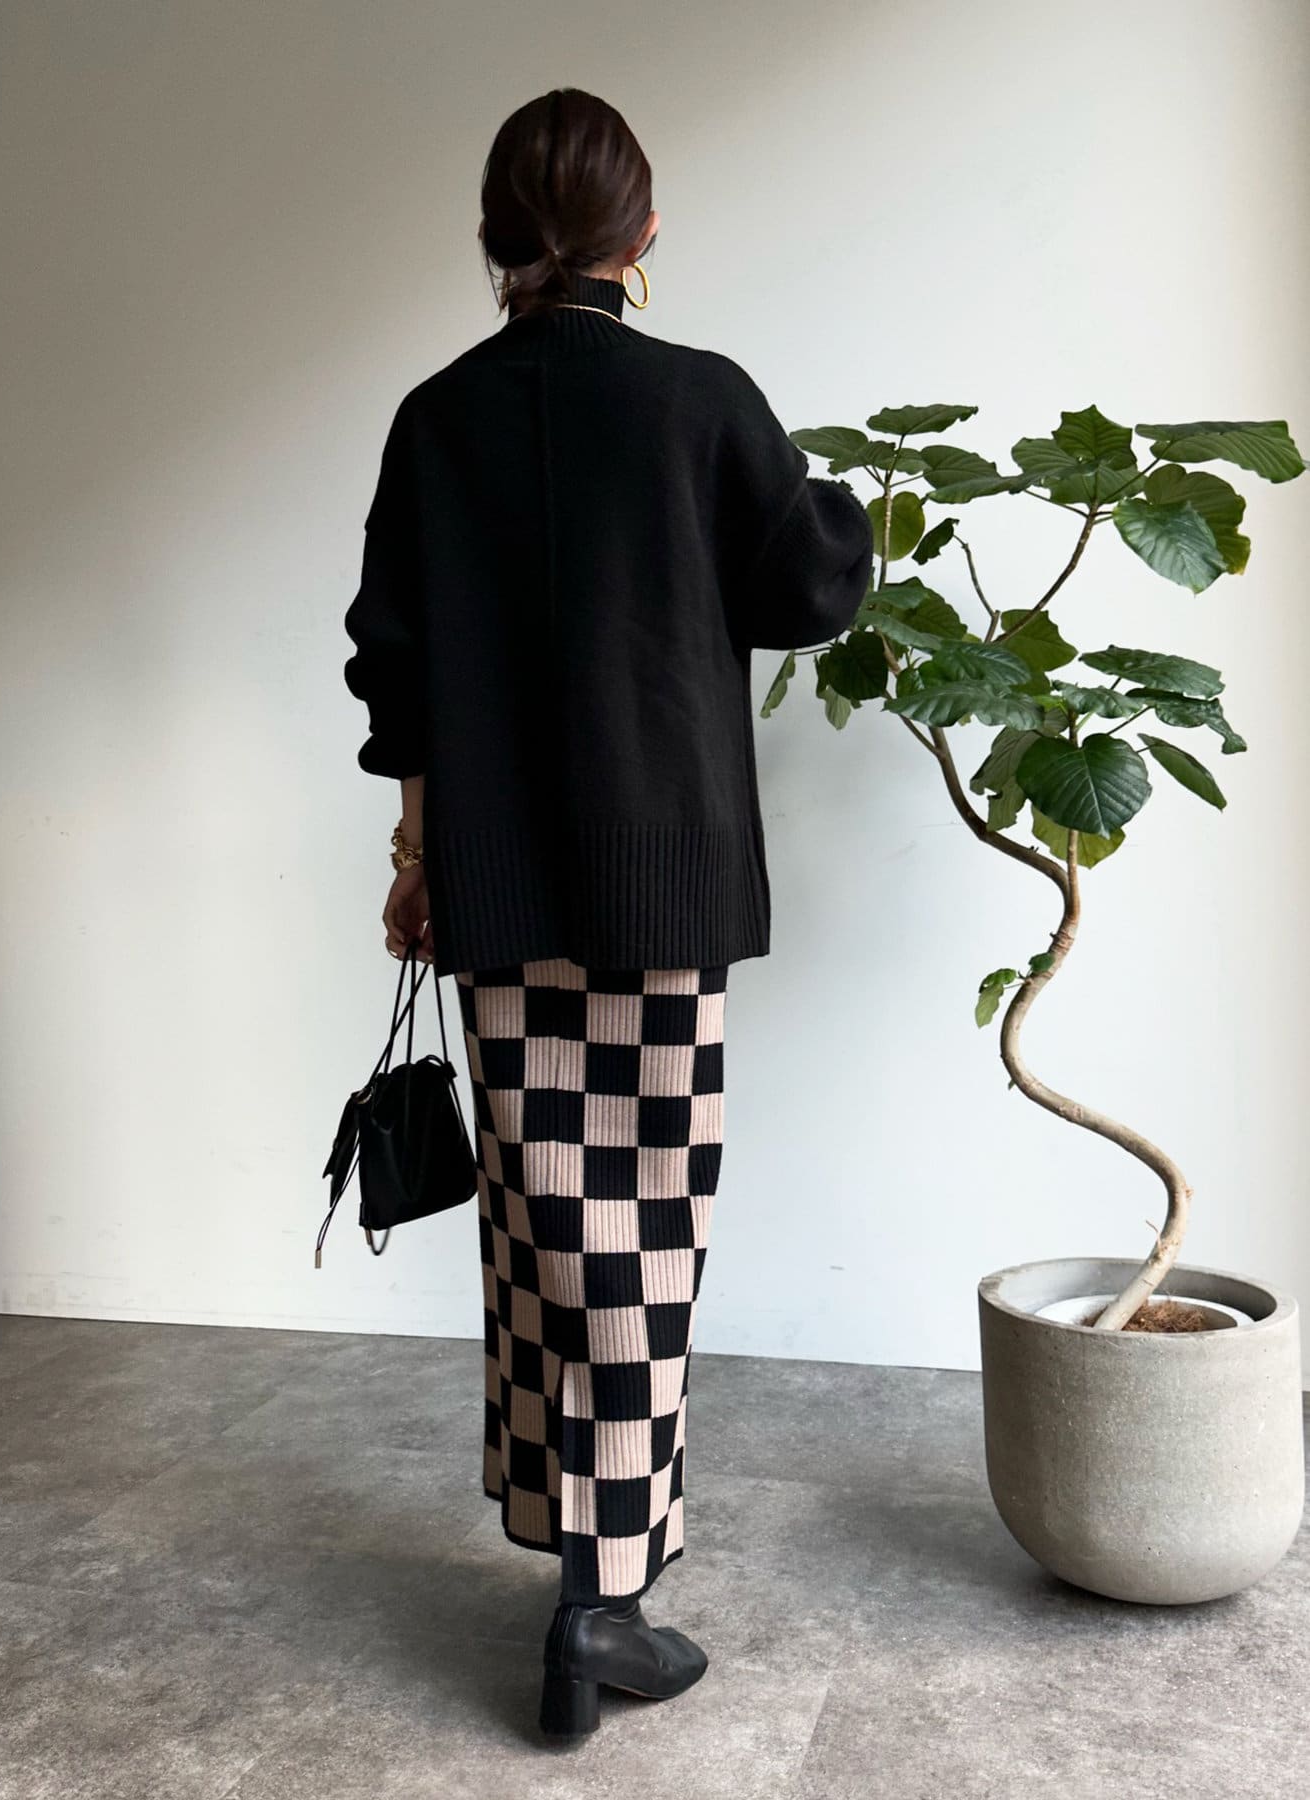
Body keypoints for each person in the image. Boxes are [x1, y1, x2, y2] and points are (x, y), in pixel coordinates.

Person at [342, 87, 872, 1740]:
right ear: (643, 235)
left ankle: (577, 1567)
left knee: (545, 1218)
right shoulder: (701, 402)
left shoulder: (437, 420)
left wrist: (416, 854)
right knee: (643, 1224)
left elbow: (394, 671)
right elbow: (812, 584)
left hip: (498, 882)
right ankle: (603, 1603)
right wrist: (836, 494)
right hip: (665, 885)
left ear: (497, 239)